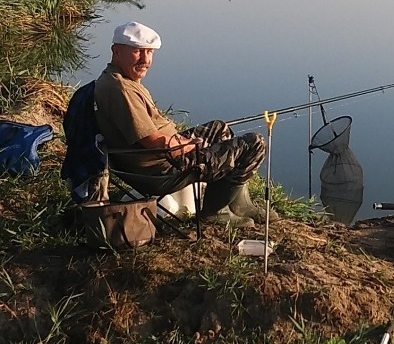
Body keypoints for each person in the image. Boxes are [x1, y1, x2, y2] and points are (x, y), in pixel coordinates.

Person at [93, 21, 270, 227]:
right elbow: (153, 141)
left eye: (149, 52)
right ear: (116, 51)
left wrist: (187, 142)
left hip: (157, 159)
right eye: (138, 52)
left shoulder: (119, 79)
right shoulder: (121, 89)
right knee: (254, 144)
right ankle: (213, 212)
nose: (146, 59)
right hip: (161, 170)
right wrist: (189, 145)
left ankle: (237, 204)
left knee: (218, 128)